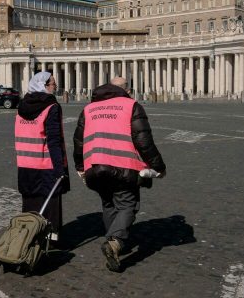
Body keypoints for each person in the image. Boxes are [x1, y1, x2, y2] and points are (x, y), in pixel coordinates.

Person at [73, 77, 166, 272]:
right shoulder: (131, 106)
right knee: (128, 205)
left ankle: (112, 240)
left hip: (95, 167)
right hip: (122, 166)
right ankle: (114, 242)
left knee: (108, 204)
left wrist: (80, 166)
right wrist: (158, 166)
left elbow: (78, 141)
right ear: (126, 90)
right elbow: (144, 141)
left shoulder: (89, 109)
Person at [15, 72, 70, 246]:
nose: (56, 86)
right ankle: (49, 243)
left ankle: (28, 240)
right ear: (44, 85)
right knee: (50, 207)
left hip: (25, 163)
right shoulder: (51, 106)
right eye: (53, 84)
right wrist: (60, 168)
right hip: (46, 165)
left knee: (30, 205)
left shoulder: (22, 106)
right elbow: (54, 140)